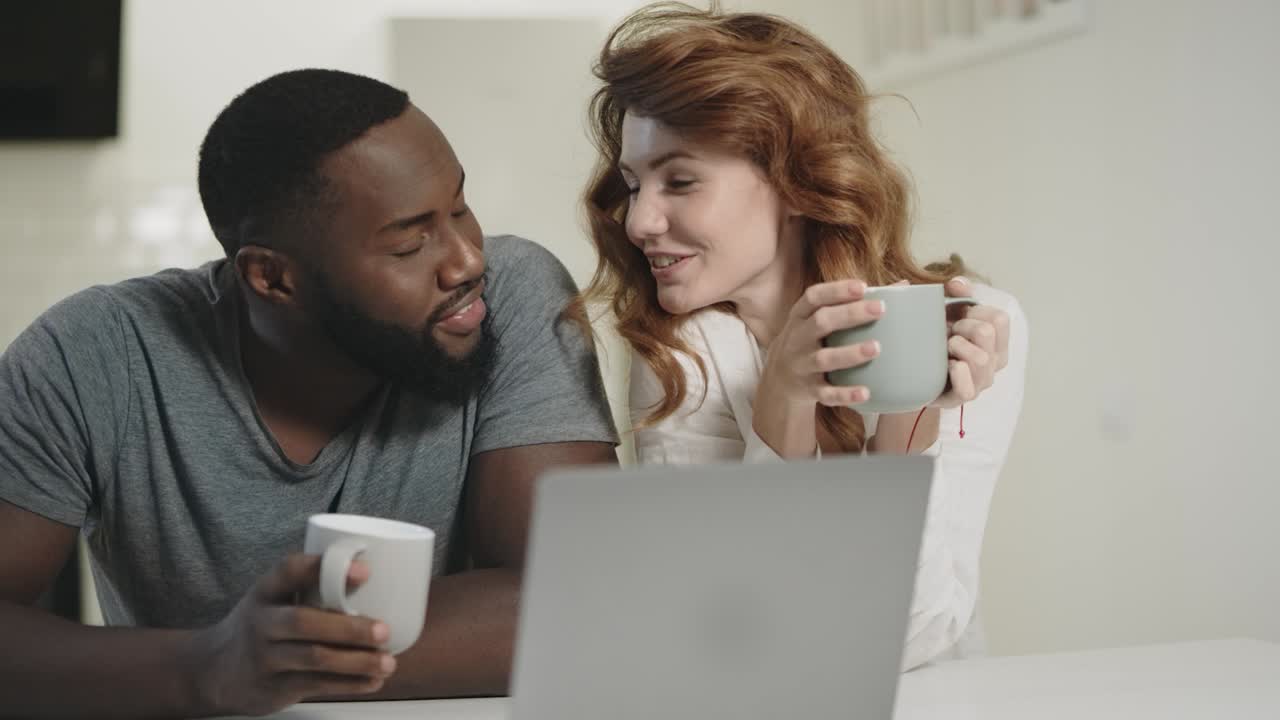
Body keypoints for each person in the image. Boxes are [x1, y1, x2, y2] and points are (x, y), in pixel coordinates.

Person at [0, 69, 617, 717]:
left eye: (460, 207)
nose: (466, 260)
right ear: (273, 278)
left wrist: (276, 661)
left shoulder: (512, 296)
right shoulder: (97, 353)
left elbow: (577, 601)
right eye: (410, 243)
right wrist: (209, 664)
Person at [578, 3, 1028, 670]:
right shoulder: (683, 353)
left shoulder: (974, 325)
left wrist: (911, 408)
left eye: (680, 181)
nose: (641, 221)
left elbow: (918, 634)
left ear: (794, 183)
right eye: (634, 184)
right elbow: (745, 635)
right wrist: (781, 411)